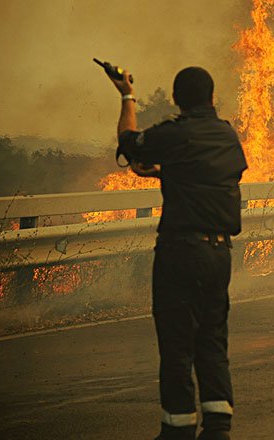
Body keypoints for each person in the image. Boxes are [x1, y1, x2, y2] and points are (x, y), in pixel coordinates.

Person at [107, 66, 248, 440]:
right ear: (211, 97)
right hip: (220, 255)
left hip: (182, 254)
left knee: (177, 344)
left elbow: (129, 141)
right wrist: (168, 173)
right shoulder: (226, 135)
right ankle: (218, 427)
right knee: (212, 340)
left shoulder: (176, 133)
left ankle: (178, 429)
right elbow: (212, 177)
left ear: (176, 99)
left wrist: (126, 95)